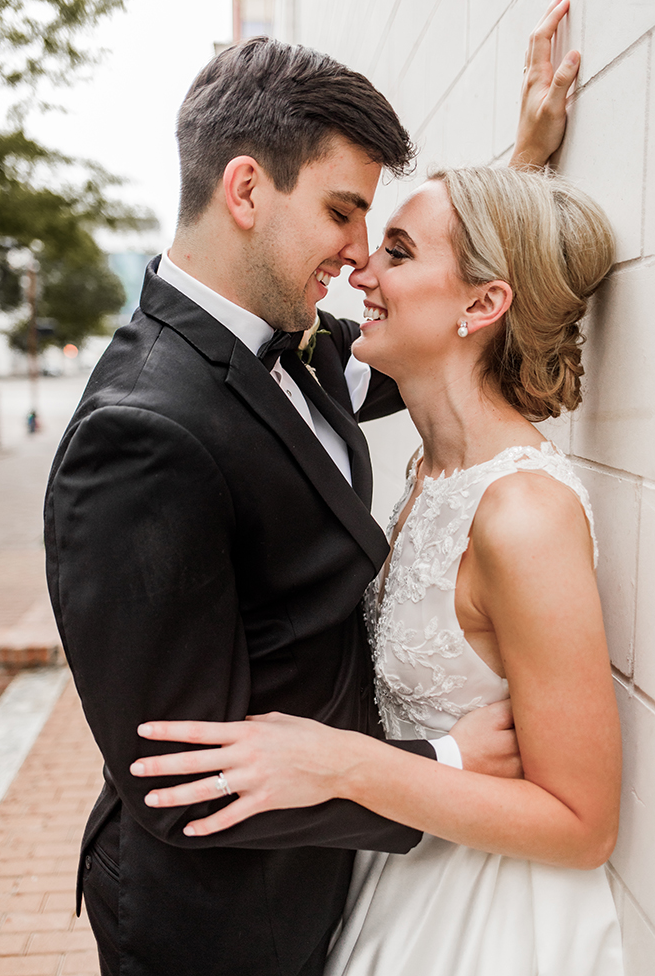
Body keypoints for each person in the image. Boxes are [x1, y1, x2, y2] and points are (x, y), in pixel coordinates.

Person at [44, 0, 581, 976]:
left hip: (338, 889)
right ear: (246, 190)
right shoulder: (141, 434)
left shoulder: (296, 346)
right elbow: (180, 785)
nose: (360, 252)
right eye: (343, 210)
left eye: (375, 222)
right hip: (222, 930)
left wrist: (523, 171)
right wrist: (443, 765)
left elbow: (436, 323)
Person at [134, 166, 623, 975]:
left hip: (489, 920)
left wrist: (341, 761)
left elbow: (584, 823)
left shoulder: (524, 515)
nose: (361, 269)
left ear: (481, 306)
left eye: (396, 250)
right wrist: (531, 152)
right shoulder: (433, 473)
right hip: (397, 876)